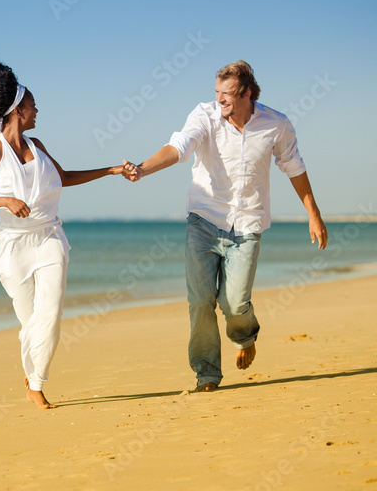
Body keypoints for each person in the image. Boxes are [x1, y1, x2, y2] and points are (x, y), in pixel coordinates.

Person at [121, 60, 327, 392]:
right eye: (217, 92)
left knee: (234, 303)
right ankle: (207, 374)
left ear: (247, 93)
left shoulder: (276, 124)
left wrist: (313, 214)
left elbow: (293, 166)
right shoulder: (204, 116)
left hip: (247, 224)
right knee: (201, 300)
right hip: (203, 220)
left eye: (227, 94)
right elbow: (179, 147)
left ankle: (244, 336)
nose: (220, 99)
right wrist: (143, 169)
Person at [0, 57, 124, 409]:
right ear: (17, 110)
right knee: (30, 322)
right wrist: (4, 200)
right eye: (32, 105)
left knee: (51, 314)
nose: (37, 110)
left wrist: (110, 170)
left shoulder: (38, 145)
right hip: (15, 245)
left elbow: (64, 178)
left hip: (49, 237)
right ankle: (31, 371)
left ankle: (36, 383)